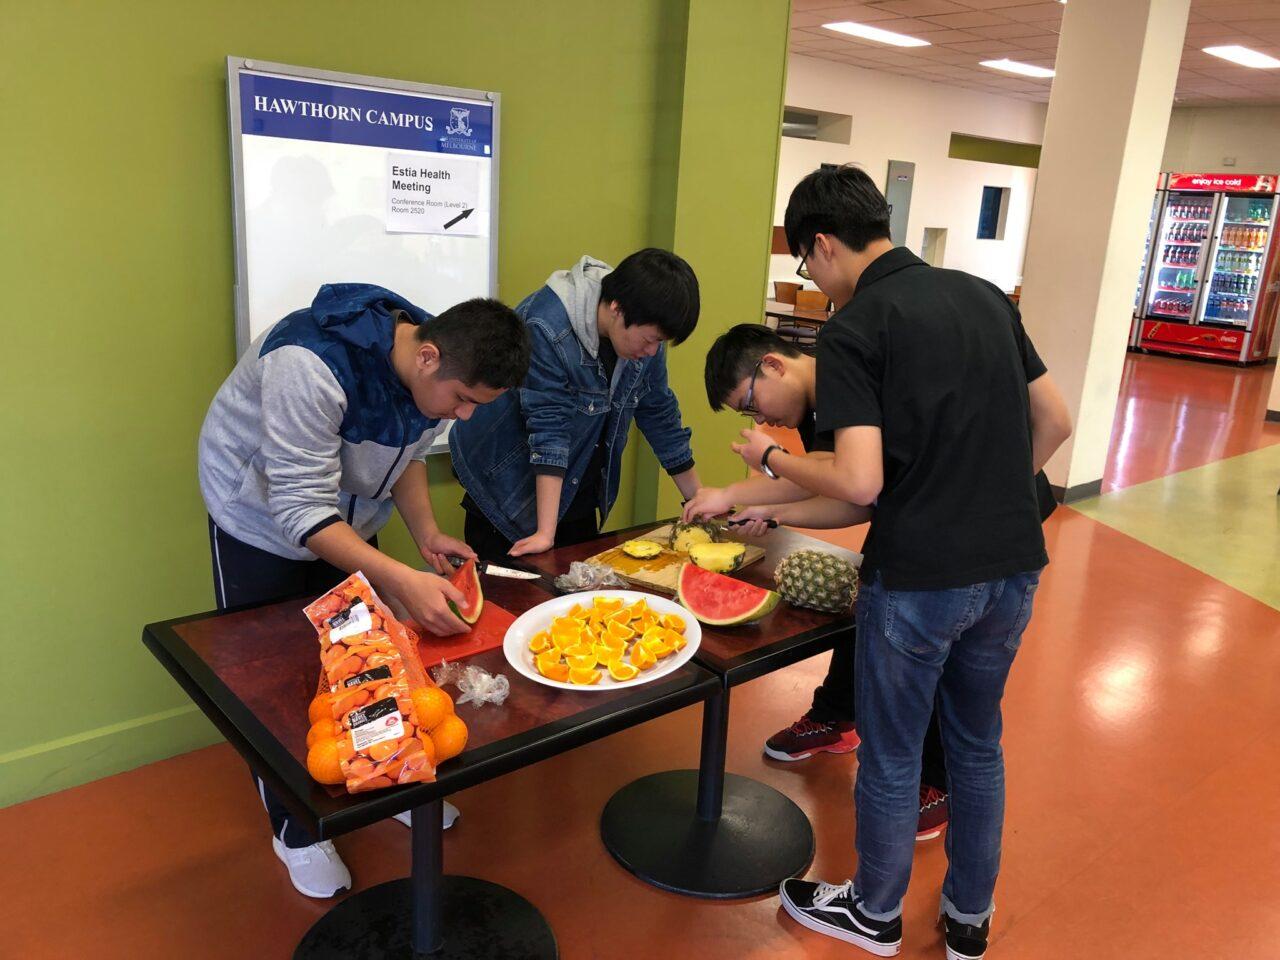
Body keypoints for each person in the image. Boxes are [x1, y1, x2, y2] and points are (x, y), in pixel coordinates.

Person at [733, 166, 1072, 959]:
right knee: (976, 745)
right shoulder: (986, 296)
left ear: (823, 243)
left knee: (891, 753)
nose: (811, 276)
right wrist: (989, 496)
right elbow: (1055, 419)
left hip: (920, 578)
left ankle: (874, 913)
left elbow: (859, 483)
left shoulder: (855, 327)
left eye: (805, 262)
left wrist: (773, 462)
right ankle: (969, 919)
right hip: (1012, 567)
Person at [198, 283, 530, 899]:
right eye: (463, 400)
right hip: (258, 520)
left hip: (342, 522)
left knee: (370, 661)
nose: (464, 417)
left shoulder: (428, 360)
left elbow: (407, 455)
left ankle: (384, 770)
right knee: (273, 684)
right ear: (428, 357)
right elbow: (299, 508)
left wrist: (425, 534)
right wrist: (396, 577)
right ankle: (294, 830)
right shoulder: (307, 365)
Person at [689, 323, 951, 841]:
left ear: (772, 365)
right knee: (868, 600)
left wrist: (767, 467)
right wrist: (747, 502)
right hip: (903, 511)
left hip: (947, 518)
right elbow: (832, 487)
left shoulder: (841, 376)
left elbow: (853, 492)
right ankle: (835, 717)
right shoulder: (816, 404)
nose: (759, 419)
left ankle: (938, 780)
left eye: (751, 403)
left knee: (928, 647)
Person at [450, 250, 702, 559]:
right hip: (506, 485)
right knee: (513, 586)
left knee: (575, 584)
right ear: (617, 308)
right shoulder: (547, 326)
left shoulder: (645, 328)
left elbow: (659, 413)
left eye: (659, 342)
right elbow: (549, 428)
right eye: (650, 340)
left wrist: (698, 501)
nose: (652, 351)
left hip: (575, 486)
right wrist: (546, 532)